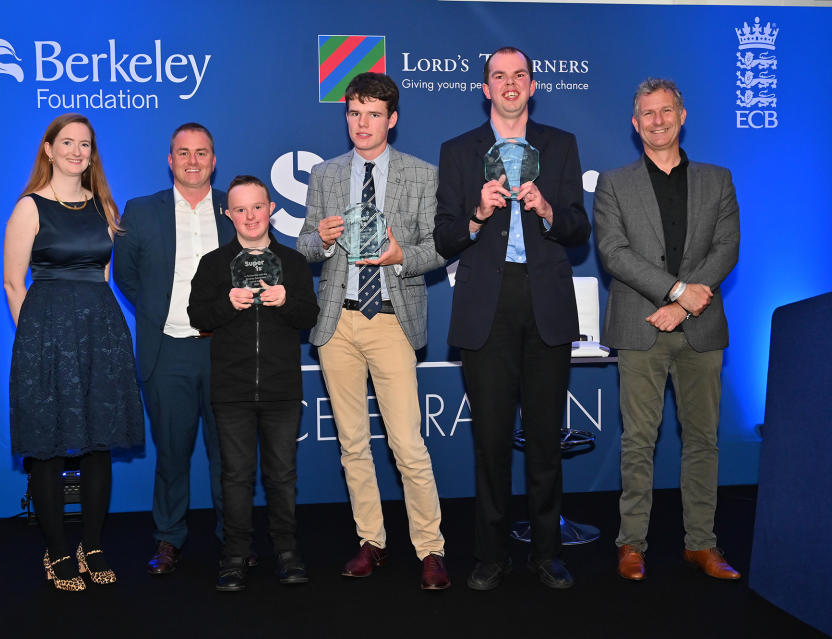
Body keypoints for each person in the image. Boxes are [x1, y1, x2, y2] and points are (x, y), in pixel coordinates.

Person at [433, 47, 591, 591]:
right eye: (498, 76)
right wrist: (477, 213)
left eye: (519, 75)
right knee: (492, 442)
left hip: (544, 302)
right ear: (485, 88)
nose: (509, 84)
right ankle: (490, 556)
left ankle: (546, 554)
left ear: (531, 84)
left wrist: (548, 210)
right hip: (487, 308)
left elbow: (578, 229)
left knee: (546, 440)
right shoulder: (458, 152)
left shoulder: (560, 145)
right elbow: (443, 236)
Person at [296, 72, 450, 590]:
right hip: (337, 321)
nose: (363, 124)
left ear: (393, 119)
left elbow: (441, 248)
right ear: (346, 116)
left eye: (374, 114)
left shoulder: (422, 175)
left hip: (391, 318)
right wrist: (319, 235)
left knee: (407, 444)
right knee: (352, 445)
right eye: (354, 113)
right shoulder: (325, 174)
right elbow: (304, 249)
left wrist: (400, 255)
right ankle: (372, 542)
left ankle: (430, 548)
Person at [594, 78, 741, 582]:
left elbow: (726, 249)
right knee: (638, 440)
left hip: (699, 328)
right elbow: (614, 254)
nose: (657, 120)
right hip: (642, 328)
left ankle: (702, 544)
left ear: (682, 116)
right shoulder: (613, 183)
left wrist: (683, 304)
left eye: (665, 111)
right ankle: (631, 544)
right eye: (647, 114)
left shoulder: (717, 179)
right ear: (635, 125)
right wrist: (678, 292)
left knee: (703, 440)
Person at [4, 113, 144, 591]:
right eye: (67, 142)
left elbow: (105, 279)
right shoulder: (30, 207)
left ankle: (93, 543)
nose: (76, 151)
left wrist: (99, 332)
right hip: (45, 335)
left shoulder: (104, 206)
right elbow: (12, 282)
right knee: (46, 445)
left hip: (99, 332)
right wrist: (39, 342)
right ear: (48, 149)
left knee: (97, 441)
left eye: (85, 144)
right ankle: (58, 550)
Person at [188, 175, 319, 591]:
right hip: (232, 390)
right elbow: (198, 316)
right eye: (240, 209)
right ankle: (234, 555)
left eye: (257, 207)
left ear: (272, 209)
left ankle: (287, 551)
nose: (250, 216)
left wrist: (286, 302)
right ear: (228, 214)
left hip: (281, 388)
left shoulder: (294, 263)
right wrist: (227, 303)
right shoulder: (213, 264)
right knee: (236, 476)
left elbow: (309, 316)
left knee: (282, 476)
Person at [113, 123, 233, 575]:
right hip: (168, 351)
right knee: (171, 453)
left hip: (227, 352)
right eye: (183, 153)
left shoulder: (234, 207)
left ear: (214, 159)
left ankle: (234, 539)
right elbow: (127, 276)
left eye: (201, 152)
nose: (193, 161)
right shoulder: (140, 211)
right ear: (170, 160)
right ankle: (169, 539)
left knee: (232, 456)